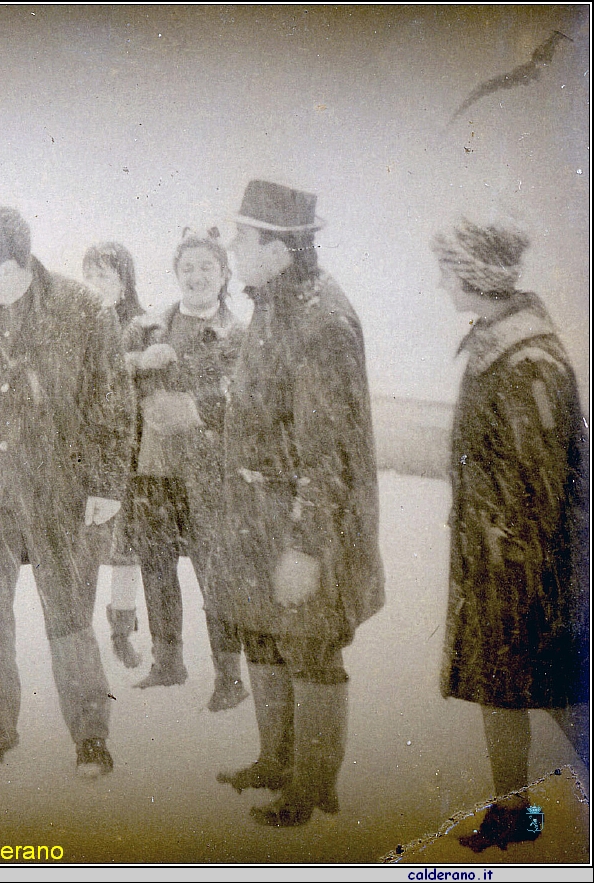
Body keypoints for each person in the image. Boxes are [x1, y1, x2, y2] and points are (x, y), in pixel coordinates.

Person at [0, 206, 134, 777]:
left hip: (60, 488)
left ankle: (90, 738)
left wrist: (109, 482)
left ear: (9, 266)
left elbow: (112, 402)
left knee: (70, 617)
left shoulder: (81, 310)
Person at [217, 180, 384, 826]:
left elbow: (330, 451)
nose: (232, 246)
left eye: (243, 237)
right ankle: (275, 759)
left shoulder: (323, 320)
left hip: (306, 523)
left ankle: (313, 785)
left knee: (311, 646)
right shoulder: (274, 304)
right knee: (264, 635)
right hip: (262, 514)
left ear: (280, 250)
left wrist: (306, 546)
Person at [430, 217, 590, 852]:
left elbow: (538, 478)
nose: (441, 282)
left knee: (558, 690)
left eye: (448, 268)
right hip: (493, 554)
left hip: (528, 564)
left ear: (477, 274)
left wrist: (509, 548)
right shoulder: (497, 342)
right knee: (500, 689)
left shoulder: (528, 359)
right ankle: (513, 812)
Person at [128, 229, 248, 712]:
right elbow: (110, 373)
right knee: (155, 566)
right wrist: (139, 360)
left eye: (207, 268)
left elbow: (245, 400)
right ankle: (168, 662)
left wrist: (193, 407)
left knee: (214, 572)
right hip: (154, 468)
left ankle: (228, 676)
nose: (197, 277)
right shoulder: (150, 326)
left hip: (208, 474)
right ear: (176, 274)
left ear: (223, 276)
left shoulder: (241, 336)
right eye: (188, 268)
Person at [81, 242, 146, 669]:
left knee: (125, 550)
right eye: (89, 276)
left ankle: (122, 631)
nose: (94, 285)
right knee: (83, 549)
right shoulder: (73, 322)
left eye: (104, 275)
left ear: (124, 282)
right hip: (85, 453)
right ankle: (77, 636)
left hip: (130, 453)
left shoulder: (138, 325)